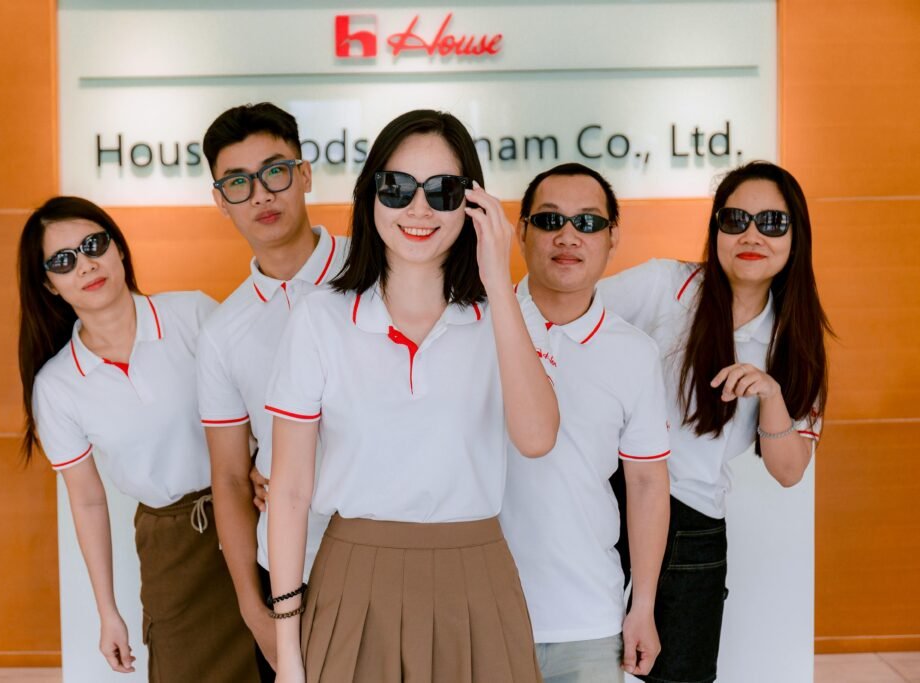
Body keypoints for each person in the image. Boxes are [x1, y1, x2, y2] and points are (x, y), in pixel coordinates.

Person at [264, 109, 559, 683]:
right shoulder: (320, 318)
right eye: (397, 188)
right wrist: (288, 647)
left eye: (443, 191)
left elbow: (537, 438)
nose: (418, 209)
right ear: (370, 196)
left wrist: (499, 281)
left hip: (477, 578)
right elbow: (291, 490)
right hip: (354, 578)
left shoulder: (504, 314)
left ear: (472, 204)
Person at [598, 161, 829, 683]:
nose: (751, 235)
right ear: (716, 228)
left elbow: (790, 470)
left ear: (796, 235)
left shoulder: (798, 343)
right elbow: (567, 310)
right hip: (609, 501)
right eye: (735, 219)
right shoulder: (665, 285)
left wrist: (770, 395)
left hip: (693, 529)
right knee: (583, 670)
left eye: (772, 222)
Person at [17, 196, 258, 681]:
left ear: (119, 249)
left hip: (255, 511)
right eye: (64, 261)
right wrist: (107, 611)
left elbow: (262, 405)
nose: (86, 265)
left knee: (286, 658)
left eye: (94, 245)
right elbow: (86, 501)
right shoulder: (57, 385)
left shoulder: (191, 314)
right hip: (172, 544)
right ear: (49, 284)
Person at [500, 163, 671, 683]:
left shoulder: (635, 353)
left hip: (590, 618)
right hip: (483, 611)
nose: (568, 236)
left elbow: (645, 483)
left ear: (614, 237)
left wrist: (642, 605)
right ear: (521, 232)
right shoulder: (475, 324)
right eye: (550, 220)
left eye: (589, 223)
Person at [196, 102, 349, 681]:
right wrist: (253, 610)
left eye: (274, 172)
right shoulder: (222, 333)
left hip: (392, 555)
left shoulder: (380, 272)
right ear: (221, 200)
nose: (260, 195)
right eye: (237, 182)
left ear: (305, 175)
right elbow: (232, 478)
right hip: (291, 573)